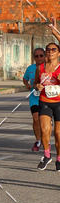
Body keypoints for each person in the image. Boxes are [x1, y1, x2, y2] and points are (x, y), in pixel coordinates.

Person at [34, 42, 60, 170]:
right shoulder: (40, 67)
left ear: (58, 53)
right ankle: (47, 155)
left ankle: (59, 158)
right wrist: (37, 86)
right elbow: (36, 83)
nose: (50, 51)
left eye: (53, 49)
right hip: (44, 101)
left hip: (59, 103)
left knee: (58, 133)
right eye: (48, 49)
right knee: (44, 129)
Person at [23, 48, 45, 152]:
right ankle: (38, 140)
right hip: (34, 98)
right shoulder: (30, 68)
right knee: (36, 118)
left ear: (45, 56)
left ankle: (46, 140)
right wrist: (27, 85)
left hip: (47, 98)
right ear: (34, 58)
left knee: (45, 121)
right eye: (36, 56)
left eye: (41, 55)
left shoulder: (48, 68)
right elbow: (25, 78)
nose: (39, 58)